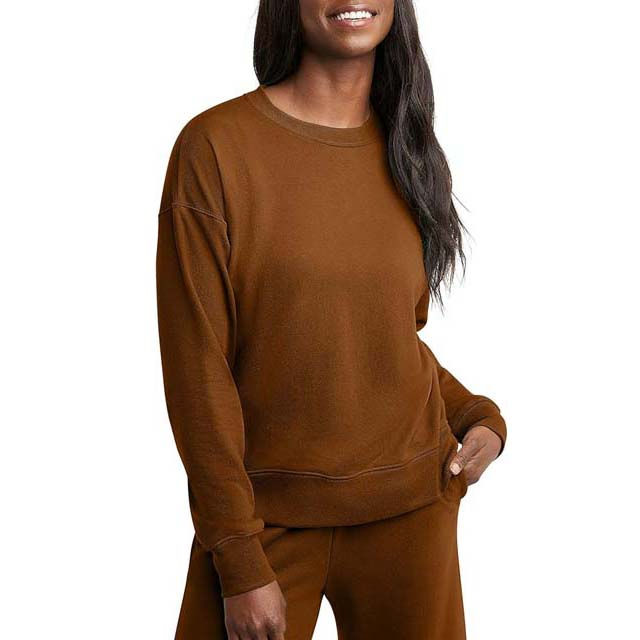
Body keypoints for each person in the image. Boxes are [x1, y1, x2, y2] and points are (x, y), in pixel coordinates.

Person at [155, 1, 507, 638]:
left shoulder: (409, 151)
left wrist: (473, 414)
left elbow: (382, 337)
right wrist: (236, 553)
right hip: (263, 520)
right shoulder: (216, 148)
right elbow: (197, 370)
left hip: (411, 509)